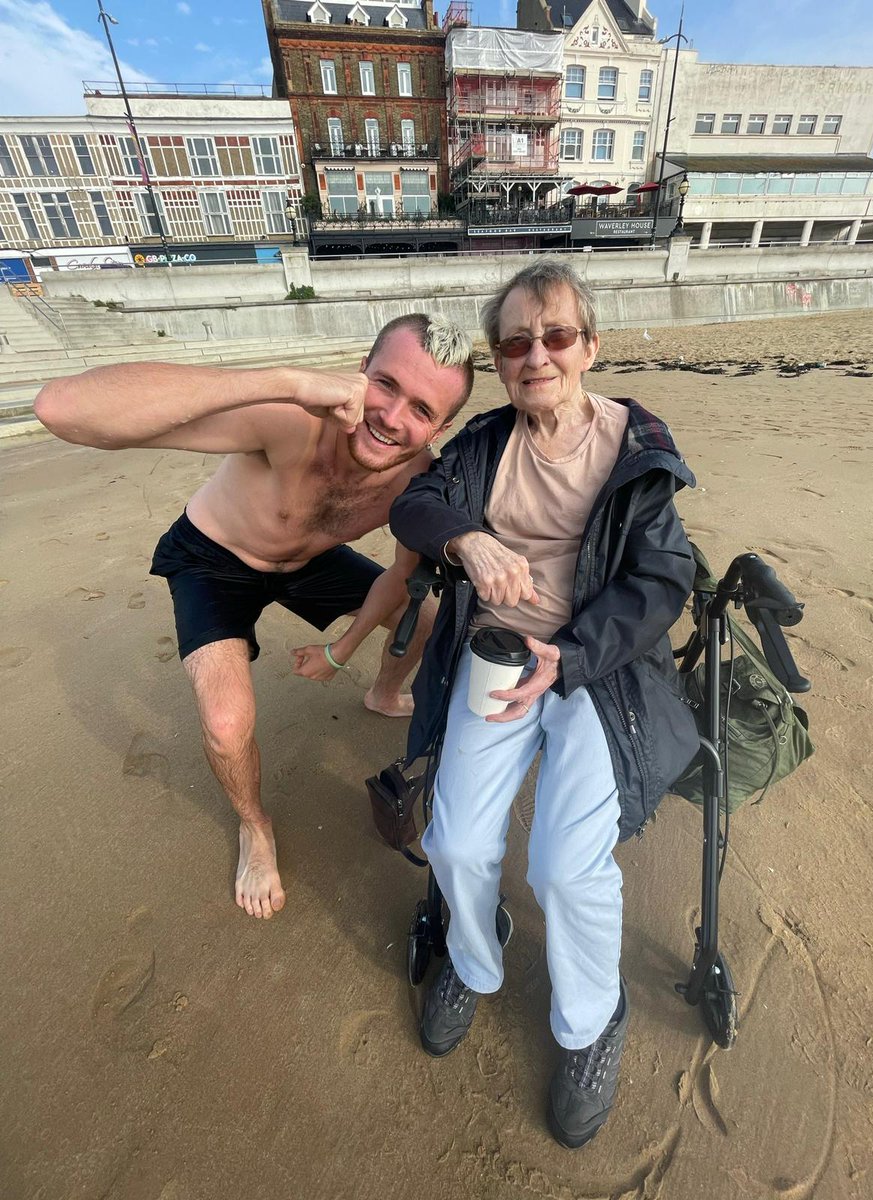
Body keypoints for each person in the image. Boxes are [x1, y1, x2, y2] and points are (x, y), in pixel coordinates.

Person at [390, 263, 699, 1149]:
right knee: (454, 841)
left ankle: (591, 1019)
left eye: (556, 336)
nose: (537, 355)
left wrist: (571, 656)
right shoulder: (486, 443)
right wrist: (468, 536)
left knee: (565, 865)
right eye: (516, 342)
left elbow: (661, 582)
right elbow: (412, 501)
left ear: (589, 347)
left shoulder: (634, 449)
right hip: (495, 651)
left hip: (596, 667)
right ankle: (472, 953)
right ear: (498, 361)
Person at [34, 313, 474, 921]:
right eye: (386, 385)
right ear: (358, 374)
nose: (393, 417)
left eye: (422, 409)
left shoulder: (416, 478)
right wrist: (286, 382)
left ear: (441, 427)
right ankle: (255, 825)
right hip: (214, 557)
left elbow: (401, 578)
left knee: (422, 619)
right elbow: (61, 408)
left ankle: (381, 692)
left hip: (306, 562)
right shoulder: (294, 418)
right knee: (225, 721)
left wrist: (340, 651)